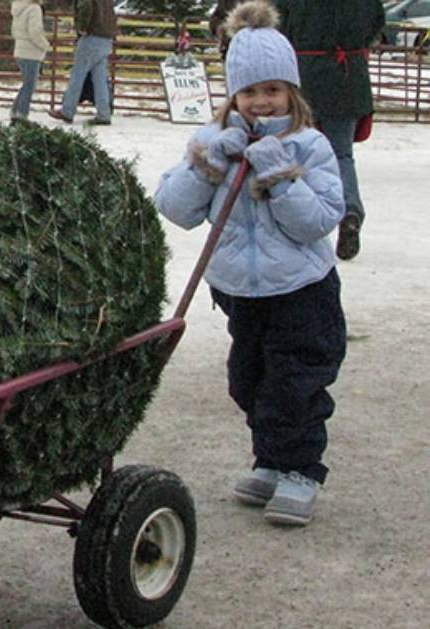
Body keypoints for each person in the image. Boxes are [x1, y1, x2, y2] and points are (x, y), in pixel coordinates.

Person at [153, 0, 347, 527]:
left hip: (302, 290)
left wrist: (280, 175)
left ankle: (299, 469)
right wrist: (209, 163)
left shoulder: (309, 146)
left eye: (272, 90)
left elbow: (320, 220)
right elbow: (174, 208)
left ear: (291, 91)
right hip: (241, 290)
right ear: (232, 95)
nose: (261, 102)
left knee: (295, 382)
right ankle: (270, 457)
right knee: (248, 379)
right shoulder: (216, 142)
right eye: (249, 91)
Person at [274, 0, 385, 261]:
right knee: (341, 154)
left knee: (295, 151)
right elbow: (376, 23)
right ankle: (349, 211)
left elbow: (278, 23)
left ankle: (298, 220)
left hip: (304, 78)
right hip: (348, 77)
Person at [48, 0, 116, 125]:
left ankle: (67, 111)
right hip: (106, 38)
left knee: (77, 76)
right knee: (100, 79)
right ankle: (104, 113)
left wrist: (81, 28)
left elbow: (85, 5)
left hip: (91, 37)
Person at [10, 0, 50, 124]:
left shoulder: (17, 8)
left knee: (26, 84)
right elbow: (35, 32)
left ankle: (15, 111)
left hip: (20, 50)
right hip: (31, 52)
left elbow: (13, 31)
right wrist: (46, 45)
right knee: (29, 85)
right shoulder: (34, 9)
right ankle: (21, 114)